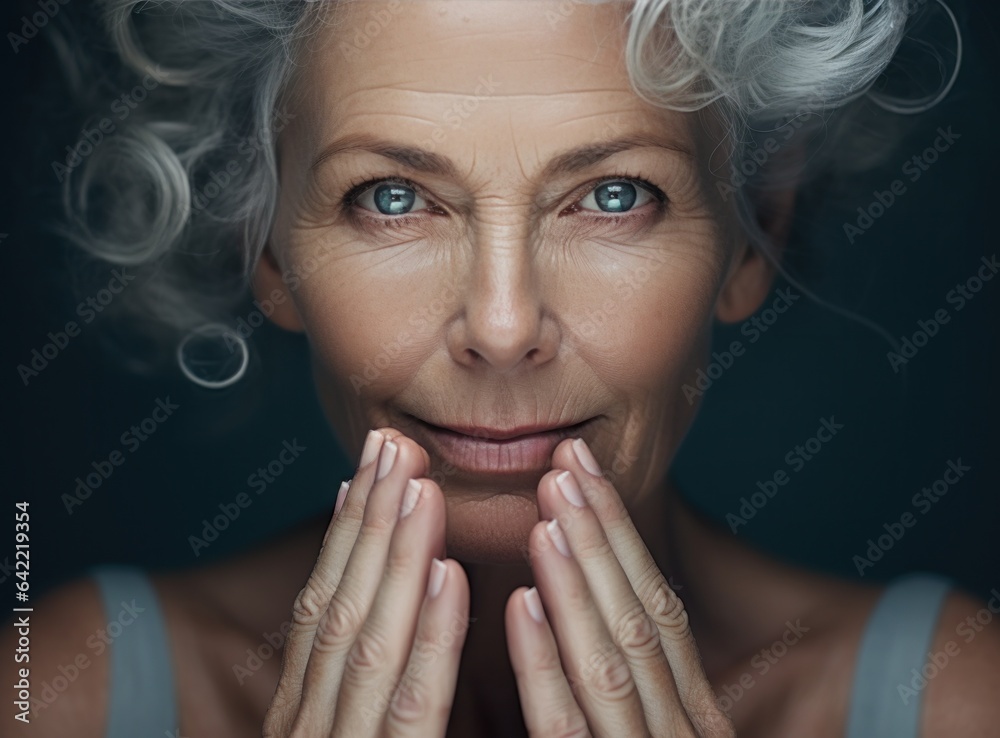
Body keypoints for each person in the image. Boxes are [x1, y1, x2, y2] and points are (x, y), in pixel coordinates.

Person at [5, 0, 998, 736]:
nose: (503, 324)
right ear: (264, 246)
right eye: (392, 198)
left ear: (749, 237)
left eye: (613, 196)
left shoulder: (946, 699)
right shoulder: (63, 693)